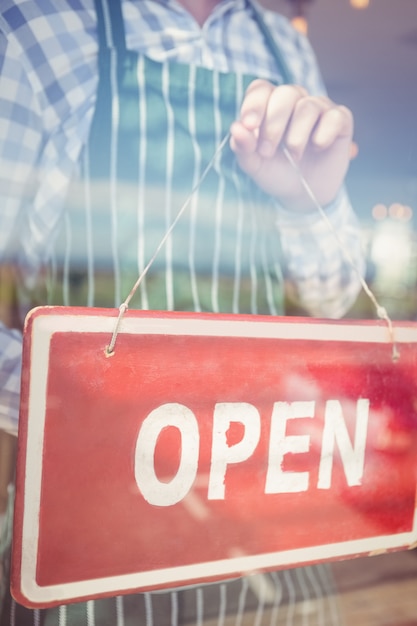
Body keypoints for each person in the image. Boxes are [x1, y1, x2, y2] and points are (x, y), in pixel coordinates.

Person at [0, 0, 365, 623]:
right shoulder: (33, 24)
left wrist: (310, 202)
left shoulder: (282, 43)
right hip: (98, 566)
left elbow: (331, 301)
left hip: (279, 545)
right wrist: (81, 407)